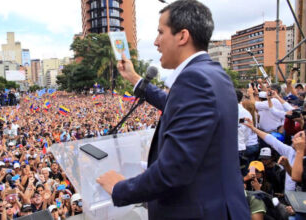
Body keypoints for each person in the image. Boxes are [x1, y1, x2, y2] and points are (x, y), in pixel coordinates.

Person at [96, 0, 249, 219]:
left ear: (182, 36)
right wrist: (134, 77)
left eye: (160, 32)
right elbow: (176, 107)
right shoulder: (213, 73)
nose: (156, 42)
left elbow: (173, 169)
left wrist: (120, 187)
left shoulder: (194, 80)